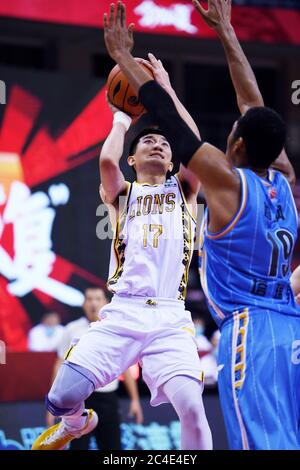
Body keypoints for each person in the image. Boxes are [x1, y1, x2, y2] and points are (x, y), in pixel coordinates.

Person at [101, 1, 300, 450]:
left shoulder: (229, 184)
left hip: (252, 331)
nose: (230, 132)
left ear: (240, 144)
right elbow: (253, 103)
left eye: (233, 131)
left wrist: (125, 62)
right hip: (291, 329)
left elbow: (178, 129)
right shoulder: (284, 180)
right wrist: (226, 31)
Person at [31, 5, 212, 449]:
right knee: (60, 397)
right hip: (123, 312)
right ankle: (75, 425)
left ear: (172, 160)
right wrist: (122, 117)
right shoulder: (123, 192)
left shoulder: (184, 191)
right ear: (135, 158)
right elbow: (108, 160)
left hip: (170, 317)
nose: (157, 143)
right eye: (148, 141)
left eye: (164, 143)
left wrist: (165, 89)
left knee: (193, 409)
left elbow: (193, 143)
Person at [46, 286, 143, 450]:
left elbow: (124, 367)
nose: (93, 303)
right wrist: (54, 404)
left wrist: (135, 400)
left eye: (98, 299)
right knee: (79, 447)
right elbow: (60, 366)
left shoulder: (115, 329)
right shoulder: (72, 329)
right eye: (89, 299)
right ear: (84, 303)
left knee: (112, 447)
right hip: (80, 399)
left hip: (108, 399)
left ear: (106, 302)